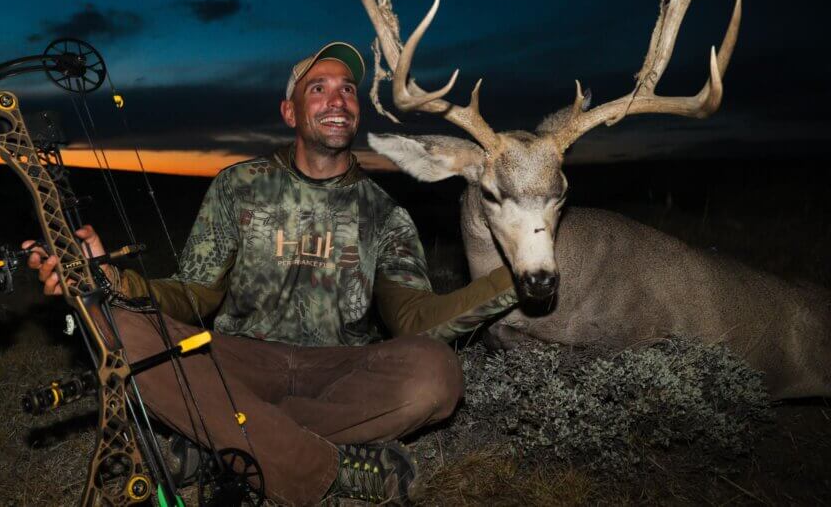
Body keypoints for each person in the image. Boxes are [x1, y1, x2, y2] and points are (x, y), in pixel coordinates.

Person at [27, 41, 517, 506]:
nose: (337, 99)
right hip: (237, 360)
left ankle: (220, 439)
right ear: (290, 112)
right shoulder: (238, 186)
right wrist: (114, 280)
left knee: (436, 374)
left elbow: (414, 319)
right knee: (114, 327)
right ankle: (329, 466)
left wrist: (517, 278)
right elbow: (193, 293)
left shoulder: (386, 215)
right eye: (318, 88)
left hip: (338, 372)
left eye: (347, 88)